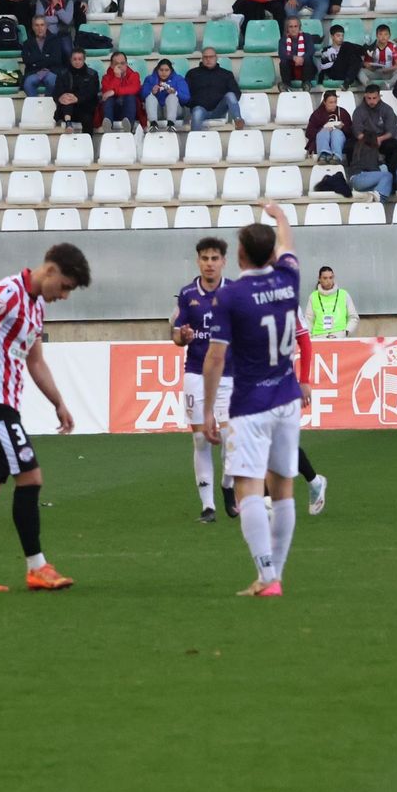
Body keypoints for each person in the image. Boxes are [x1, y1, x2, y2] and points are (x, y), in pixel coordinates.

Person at [0, 244, 93, 592]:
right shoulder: (6, 294)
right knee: (30, 477)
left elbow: (35, 360)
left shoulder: (36, 305)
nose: (64, 296)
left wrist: (58, 402)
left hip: (4, 404)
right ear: (50, 270)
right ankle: (37, 567)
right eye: (64, 287)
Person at [200, 204, 310, 598]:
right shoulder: (290, 277)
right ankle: (275, 574)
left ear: (240, 254)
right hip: (287, 398)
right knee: (282, 489)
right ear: (273, 255)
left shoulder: (231, 296)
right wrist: (280, 217)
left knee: (247, 488)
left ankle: (266, 576)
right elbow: (288, 245)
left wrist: (208, 410)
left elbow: (215, 358)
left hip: (250, 404)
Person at [171, 237, 235, 522]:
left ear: (223, 261)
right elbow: (176, 333)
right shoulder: (187, 294)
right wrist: (182, 337)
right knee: (200, 438)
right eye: (205, 258)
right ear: (198, 261)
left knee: (231, 437)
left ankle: (228, 485)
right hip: (196, 372)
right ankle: (208, 506)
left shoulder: (234, 292)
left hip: (229, 373)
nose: (210, 264)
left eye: (215, 258)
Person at [186, 47, 245, 130]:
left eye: (211, 57)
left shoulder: (226, 74)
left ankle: (238, 120)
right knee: (197, 112)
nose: (208, 59)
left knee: (231, 95)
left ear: (216, 58)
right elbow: (185, 93)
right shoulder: (192, 74)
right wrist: (194, 103)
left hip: (219, 109)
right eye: (205, 57)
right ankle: (195, 137)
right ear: (202, 58)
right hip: (199, 109)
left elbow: (237, 93)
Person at [306, 265, 358, 340]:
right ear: (319, 279)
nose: (328, 281)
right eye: (325, 278)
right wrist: (309, 337)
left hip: (339, 336)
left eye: (331, 278)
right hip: (318, 337)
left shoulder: (344, 294)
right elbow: (308, 320)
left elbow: (353, 317)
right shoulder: (313, 296)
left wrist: (346, 332)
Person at [53, 48, 99, 130]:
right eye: (74, 59)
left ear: (84, 60)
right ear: (70, 60)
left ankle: (87, 139)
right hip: (65, 108)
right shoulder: (62, 73)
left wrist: (77, 99)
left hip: (84, 108)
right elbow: (56, 92)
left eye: (80, 59)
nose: (77, 62)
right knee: (67, 100)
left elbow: (92, 93)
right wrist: (60, 98)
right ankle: (68, 124)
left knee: (87, 119)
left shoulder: (92, 74)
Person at [22, 16, 69, 96]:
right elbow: (27, 60)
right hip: (34, 72)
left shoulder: (55, 40)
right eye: (37, 25)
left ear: (46, 26)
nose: (39, 28)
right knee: (27, 84)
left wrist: (36, 60)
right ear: (33, 27)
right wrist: (46, 57)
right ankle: (35, 103)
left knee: (52, 82)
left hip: (51, 71)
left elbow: (56, 59)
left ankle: (48, 102)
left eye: (42, 25)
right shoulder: (27, 43)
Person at [141, 58, 190, 130]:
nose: (164, 73)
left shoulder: (178, 79)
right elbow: (142, 96)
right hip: (157, 111)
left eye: (167, 70)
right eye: (161, 70)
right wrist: (151, 92)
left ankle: (171, 124)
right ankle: (153, 124)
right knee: (150, 96)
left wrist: (175, 93)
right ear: (157, 70)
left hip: (175, 111)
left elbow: (186, 98)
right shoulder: (150, 79)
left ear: (171, 70)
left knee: (172, 97)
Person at [305, 90, 351, 162]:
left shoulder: (342, 112)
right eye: (331, 102)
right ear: (324, 102)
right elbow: (308, 133)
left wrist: (343, 128)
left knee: (336, 133)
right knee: (323, 132)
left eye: (335, 102)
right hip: (322, 139)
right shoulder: (317, 114)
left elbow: (351, 131)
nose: (333, 105)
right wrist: (322, 129)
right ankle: (323, 155)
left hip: (339, 139)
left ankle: (336, 156)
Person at [352, 82, 397, 155]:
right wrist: (371, 141)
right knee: (351, 146)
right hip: (366, 139)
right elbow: (357, 132)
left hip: (382, 138)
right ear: (365, 96)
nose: (371, 101)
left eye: (374, 98)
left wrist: (380, 139)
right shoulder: (358, 111)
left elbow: (391, 131)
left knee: (393, 145)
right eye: (369, 98)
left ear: (379, 97)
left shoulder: (387, 109)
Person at [99, 50, 141, 131]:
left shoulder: (134, 75)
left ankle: (128, 127)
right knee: (109, 99)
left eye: (122, 63)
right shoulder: (106, 78)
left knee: (130, 97)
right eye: (116, 64)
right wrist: (117, 77)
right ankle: (108, 127)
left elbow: (134, 89)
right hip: (113, 110)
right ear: (111, 65)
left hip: (129, 109)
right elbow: (106, 94)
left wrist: (114, 91)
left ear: (126, 64)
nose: (120, 66)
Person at [279, 16, 321, 88]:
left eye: (296, 26)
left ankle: (306, 84)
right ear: (287, 29)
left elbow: (311, 51)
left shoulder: (307, 37)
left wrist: (302, 58)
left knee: (308, 59)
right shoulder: (283, 40)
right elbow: (282, 54)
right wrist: (294, 57)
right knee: (283, 62)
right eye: (291, 27)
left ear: (299, 27)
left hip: (306, 69)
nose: (293, 29)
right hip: (291, 72)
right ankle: (286, 85)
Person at [359, 23, 397, 88]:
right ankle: (369, 86)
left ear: (389, 36)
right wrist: (369, 66)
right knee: (359, 71)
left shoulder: (393, 47)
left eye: (386, 34)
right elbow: (367, 64)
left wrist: (388, 69)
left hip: (389, 72)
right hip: (376, 72)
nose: (383, 37)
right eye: (380, 34)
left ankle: (388, 84)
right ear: (377, 35)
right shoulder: (372, 47)